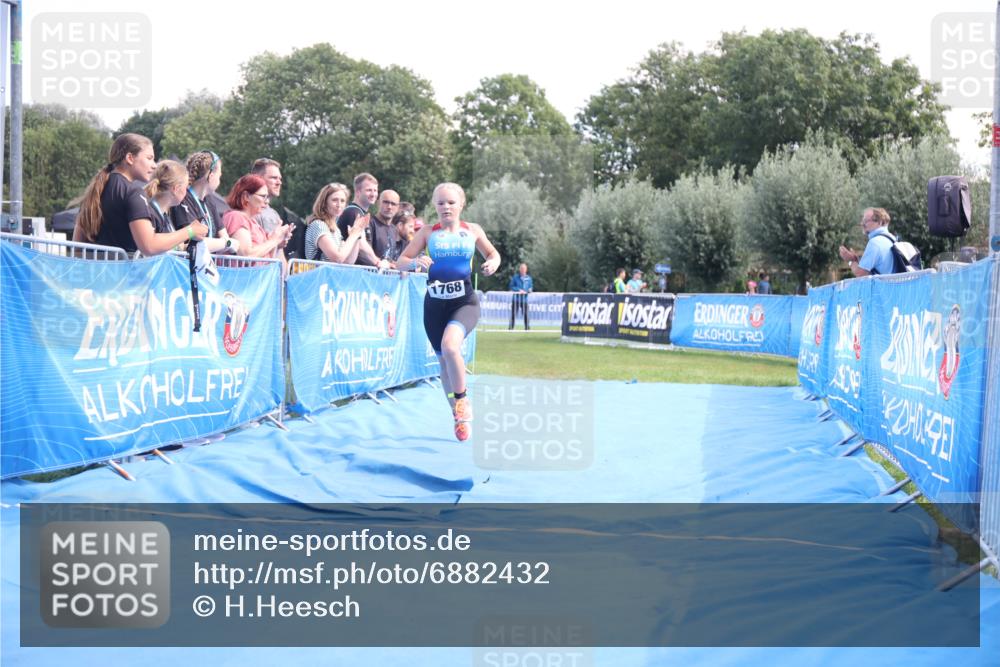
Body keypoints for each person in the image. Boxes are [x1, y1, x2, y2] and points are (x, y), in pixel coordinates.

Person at [397, 182, 501, 442]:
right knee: (443, 364)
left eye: (451, 202)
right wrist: (415, 263)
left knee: (451, 347)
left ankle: (463, 401)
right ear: (435, 206)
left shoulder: (473, 231)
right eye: (441, 203)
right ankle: (458, 415)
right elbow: (401, 261)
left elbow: (492, 253)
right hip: (434, 306)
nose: (446, 207)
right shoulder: (427, 234)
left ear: (461, 204)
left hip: (464, 303)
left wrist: (492, 263)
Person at [74, 133, 158, 250]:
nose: (154, 165)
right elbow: (149, 246)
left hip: (93, 267)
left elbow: (77, 247)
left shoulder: (93, 191)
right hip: (124, 267)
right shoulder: (133, 192)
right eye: (149, 158)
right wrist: (189, 231)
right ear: (130, 158)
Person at [126, 160, 210, 256]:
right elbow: (153, 246)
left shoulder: (164, 215)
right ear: (176, 189)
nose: (186, 192)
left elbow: (176, 247)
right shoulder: (150, 213)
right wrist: (190, 231)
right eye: (186, 188)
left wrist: (194, 235)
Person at [171, 150, 238, 255]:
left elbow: (225, 238)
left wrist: (226, 243)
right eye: (219, 176)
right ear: (211, 176)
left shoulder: (209, 201)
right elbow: (194, 243)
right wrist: (226, 243)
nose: (219, 181)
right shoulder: (184, 199)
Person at [223, 175, 292, 262]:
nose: (267, 201)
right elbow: (246, 255)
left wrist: (278, 242)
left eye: (267, 197)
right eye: (263, 196)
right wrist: (274, 240)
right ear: (246, 196)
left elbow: (266, 258)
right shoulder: (235, 217)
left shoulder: (253, 222)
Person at [336, 172, 391, 269]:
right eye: (369, 190)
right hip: (350, 272)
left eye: (375, 190)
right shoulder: (353, 212)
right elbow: (361, 244)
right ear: (358, 192)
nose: (373, 194)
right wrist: (378, 262)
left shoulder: (360, 212)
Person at [303, 183, 367, 263]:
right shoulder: (318, 225)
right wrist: (352, 236)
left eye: (342, 201)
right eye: (334, 200)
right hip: (319, 275)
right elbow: (338, 258)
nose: (339, 205)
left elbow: (348, 262)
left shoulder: (335, 229)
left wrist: (357, 235)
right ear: (324, 203)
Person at [839, 207, 896, 277]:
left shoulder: (875, 243)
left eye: (866, 221)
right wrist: (855, 259)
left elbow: (860, 274)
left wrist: (850, 260)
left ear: (879, 222)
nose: (862, 224)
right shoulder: (892, 239)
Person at [250, 158, 285, 235]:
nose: (279, 182)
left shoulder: (274, 214)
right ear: (258, 178)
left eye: (280, 179)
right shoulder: (245, 211)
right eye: (274, 178)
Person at [369, 189, 401, 263]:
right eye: (386, 202)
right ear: (378, 203)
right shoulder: (369, 224)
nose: (389, 207)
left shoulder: (394, 230)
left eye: (393, 204)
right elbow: (364, 254)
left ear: (398, 208)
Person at [508, 262, 533, 330]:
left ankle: (527, 328)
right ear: (519, 269)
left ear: (526, 269)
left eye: (524, 268)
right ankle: (511, 328)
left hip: (524, 299)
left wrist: (529, 290)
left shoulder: (529, 278)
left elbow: (530, 287)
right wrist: (519, 290)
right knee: (513, 314)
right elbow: (511, 287)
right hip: (516, 299)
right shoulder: (515, 277)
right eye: (521, 268)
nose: (522, 270)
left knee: (526, 314)